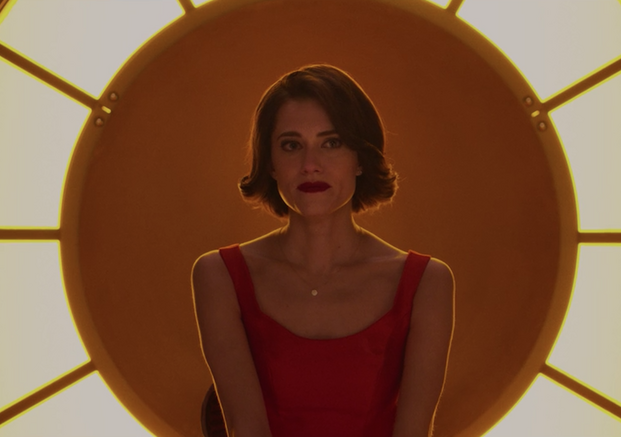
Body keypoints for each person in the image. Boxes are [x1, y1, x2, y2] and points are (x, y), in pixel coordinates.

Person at [192, 64, 454, 437]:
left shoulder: (427, 282)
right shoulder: (218, 275)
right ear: (270, 163)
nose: (310, 166)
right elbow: (246, 428)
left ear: (361, 158)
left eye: (331, 143)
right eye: (291, 145)